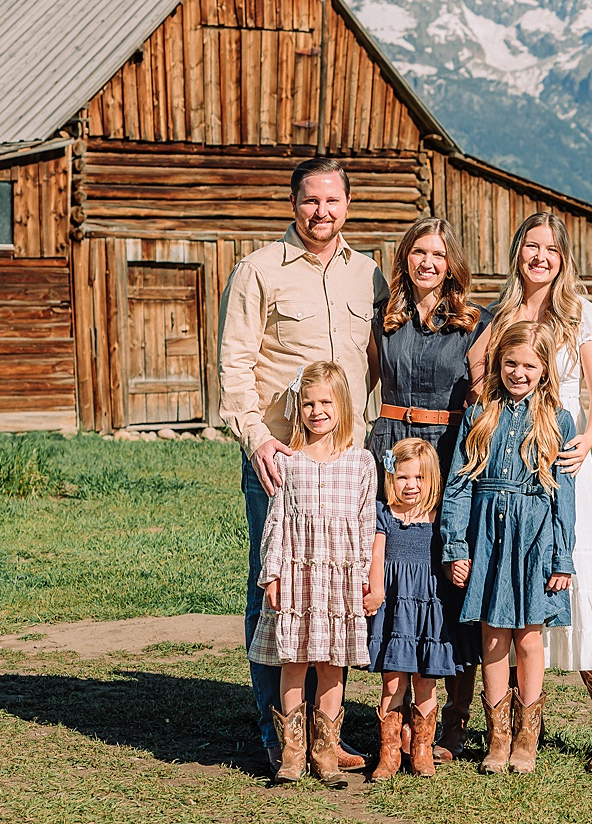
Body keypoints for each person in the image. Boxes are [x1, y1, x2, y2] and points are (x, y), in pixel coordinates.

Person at [218, 157, 388, 774]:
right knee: (277, 590)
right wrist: (258, 439)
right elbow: (234, 366)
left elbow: (378, 359)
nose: (323, 212)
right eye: (311, 200)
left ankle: (326, 734)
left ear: (348, 206)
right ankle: (276, 731)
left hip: (346, 466)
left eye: (333, 201)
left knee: (340, 589)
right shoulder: (258, 270)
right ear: (293, 204)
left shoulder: (368, 275)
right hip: (282, 463)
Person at [471, 211, 592, 774]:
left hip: (561, 463)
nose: (540, 256)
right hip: (503, 470)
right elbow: (477, 378)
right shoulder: (499, 314)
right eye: (530, 246)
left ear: (563, 258)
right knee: (508, 588)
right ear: (517, 252)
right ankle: (505, 731)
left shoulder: (580, 314)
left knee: (577, 581)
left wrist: (585, 440)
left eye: (551, 249)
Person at [365, 217, 488, 761]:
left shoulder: (472, 322)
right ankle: (392, 721)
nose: (428, 263)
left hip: (447, 446)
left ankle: (448, 722)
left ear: (451, 264)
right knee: (386, 564)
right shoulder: (384, 318)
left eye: (438, 254)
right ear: (405, 258)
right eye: (419, 252)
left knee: (448, 578)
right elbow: (363, 381)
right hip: (390, 443)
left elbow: (486, 398)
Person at [441, 321, 576, 775]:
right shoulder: (482, 411)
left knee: (529, 639)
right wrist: (455, 546)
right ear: (498, 364)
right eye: (511, 363)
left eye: (529, 365)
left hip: (534, 537)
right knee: (493, 636)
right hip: (486, 535)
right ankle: (496, 737)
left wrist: (562, 555)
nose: (519, 372)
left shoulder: (557, 418)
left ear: (544, 369)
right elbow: (459, 483)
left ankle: (525, 737)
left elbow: (564, 494)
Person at [249, 361, 377, 786]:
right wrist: (272, 575)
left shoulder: (360, 462)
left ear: (342, 405)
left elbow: (364, 524)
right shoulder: (290, 462)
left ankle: (326, 751)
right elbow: (276, 523)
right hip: (297, 575)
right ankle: (292, 751)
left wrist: (362, 577)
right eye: (308, 403)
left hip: (338, 580)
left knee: (330, 664)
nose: (316, 410)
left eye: (325, 402)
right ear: (297, 408)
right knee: (294, 660)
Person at [365, 437, 462, 781]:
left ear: (432, 479)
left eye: (419, 478)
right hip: (394, 606)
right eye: (404, 477)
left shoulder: (438, 519)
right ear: (391, 477)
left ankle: (422, 749)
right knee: (393, 683)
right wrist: (376, 590)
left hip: (429, 609)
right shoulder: (384, 515)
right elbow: (376, 555)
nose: (411, 485)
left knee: (425, 682)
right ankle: (389, 753)